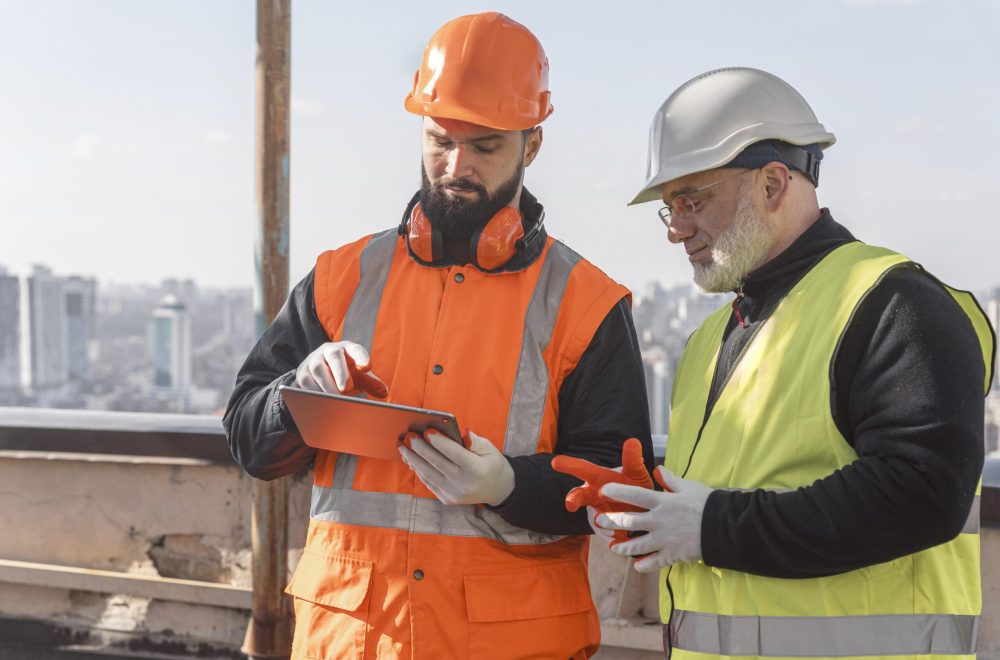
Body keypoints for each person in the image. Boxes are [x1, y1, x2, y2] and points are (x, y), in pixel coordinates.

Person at [223, 12, 653, 660]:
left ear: (531, 146)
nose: (457, 165)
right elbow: (249, 442)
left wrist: (509, 484)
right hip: (354, 642)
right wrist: (293, 395)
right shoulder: (342, 278)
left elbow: (619, 491)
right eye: (439, 140)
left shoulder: (585, 303)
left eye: (485, 147)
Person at [593, 67, 995, 659]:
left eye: (693, 199)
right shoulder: (712, 338)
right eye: (668, 206)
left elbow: (923, 492)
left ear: (774, 184)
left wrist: (710, 528)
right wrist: (654, 504)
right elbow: (756, 481)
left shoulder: (894, 304)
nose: (676, 229)